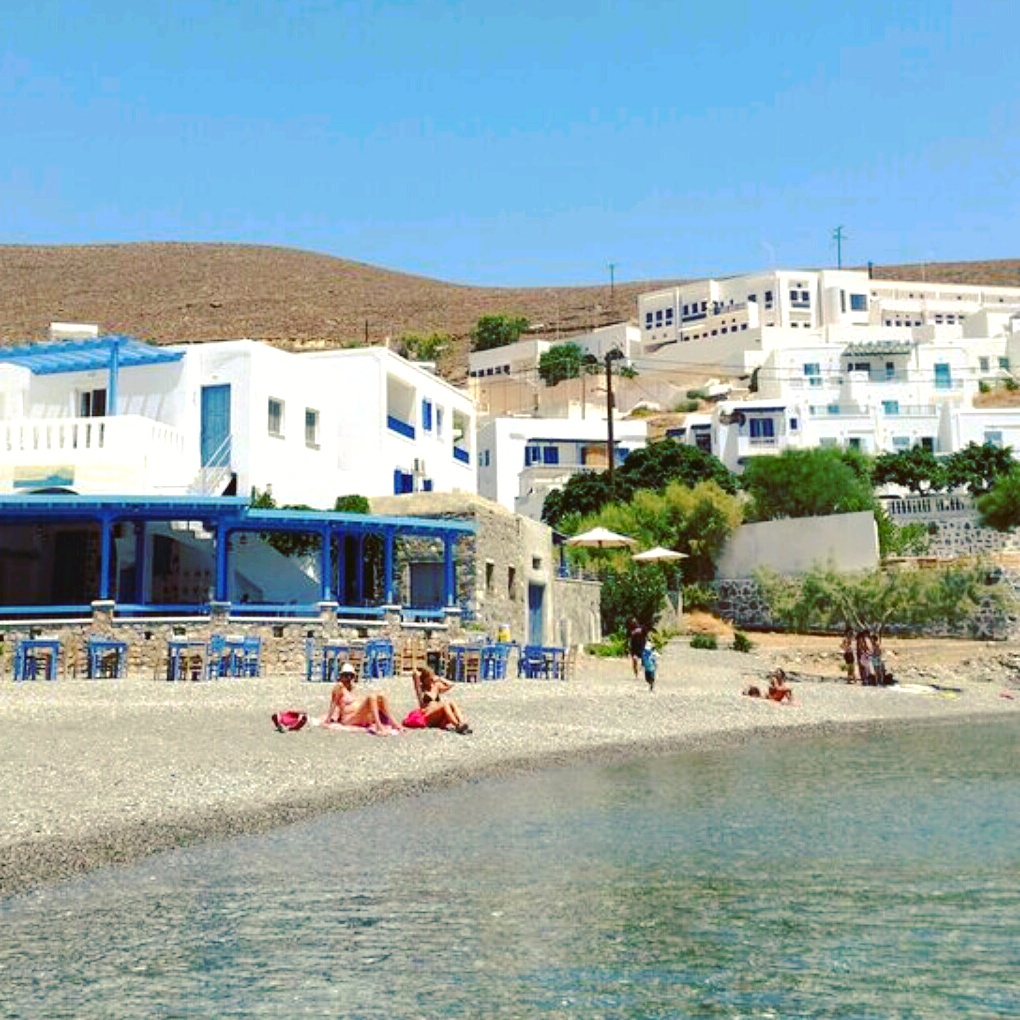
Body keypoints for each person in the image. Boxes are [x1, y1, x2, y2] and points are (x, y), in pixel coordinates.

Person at [323, 662, 402, 735]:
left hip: (358, 715)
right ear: (341, 676)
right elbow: (333, 703)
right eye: (346, 675)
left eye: (351, 676)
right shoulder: (339, 687)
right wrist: (328, 719)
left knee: (381, 696)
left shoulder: (353, 688)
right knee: (371, 697)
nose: (349, 678)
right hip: (349, 718)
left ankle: (394, 724)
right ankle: (379, 727)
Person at [407, 666, 472, 734]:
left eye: (432, 677)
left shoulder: (436, 687)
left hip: (437, 716)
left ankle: (462, 722)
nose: (431, 680)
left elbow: (451, 685)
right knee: (444, 704)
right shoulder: (421, 690)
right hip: (427, 715)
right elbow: (415, 675)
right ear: (424, 679)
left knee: (451, 702)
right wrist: (419, 669)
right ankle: (457, 725)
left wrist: (440, 679)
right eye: (429, 678)